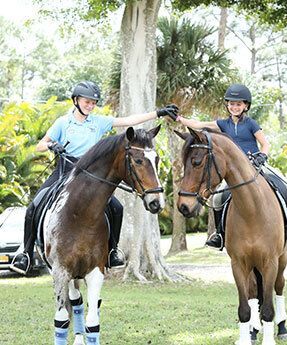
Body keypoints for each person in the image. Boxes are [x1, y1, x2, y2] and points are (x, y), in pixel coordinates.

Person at [10, 80, 178, 275]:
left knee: (116, 207)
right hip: (65, 170)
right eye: (86, 102)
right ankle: (26, 254)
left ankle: (112, 251)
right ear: (76, 100)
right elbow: (40, 145)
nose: (90, 106)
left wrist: (158, 113)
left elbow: (129, 121)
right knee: (35, 204)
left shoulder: (97, 122)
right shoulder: (63, 123)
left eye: (93, 103)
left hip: (91, 177)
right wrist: (51, 146)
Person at [174, 83, 287, 250]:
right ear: (227, 105)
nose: (234, 107)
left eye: (238, 104)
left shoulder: (251, 124)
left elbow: (265, 144)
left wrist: (262, 156)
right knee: (217, 198)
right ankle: (219, 234)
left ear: (245, 106)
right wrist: (179, 119)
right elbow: (198, 124)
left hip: (256, 165)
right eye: (231, 103)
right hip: (234, 171)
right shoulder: (223, 124)